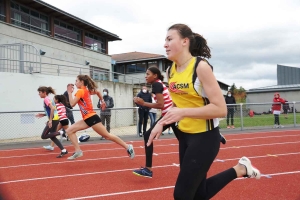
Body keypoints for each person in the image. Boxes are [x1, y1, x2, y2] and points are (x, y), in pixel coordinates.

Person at [147, 24, 261, 199]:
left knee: (182, 195)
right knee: (199, 194)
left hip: (205, 137)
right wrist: (161, 123)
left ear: (185, 41)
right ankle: (240, 169)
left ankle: (241, 169)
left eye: (170, 39)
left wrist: (183, 113)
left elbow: (221, 108)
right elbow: (177, 105)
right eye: (165, 40)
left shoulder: (200, 67)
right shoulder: (170, 71)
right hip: (184, 136)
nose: (165, 44)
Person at [61, 74, 135, 160]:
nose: (75, 83)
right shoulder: (86, 90)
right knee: (69, 131)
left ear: (82, 82)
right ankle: (78, 151)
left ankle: (128, 146)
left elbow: (72, 104)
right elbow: (98, 92)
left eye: (76, 81)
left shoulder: (81, 91)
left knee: (107, 136)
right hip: (87, 119)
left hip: (92, 118)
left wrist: (69, 93)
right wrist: (102, 101)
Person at [132, 67, 174, 178]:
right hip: (169, 114)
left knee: (147, 135)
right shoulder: (158, 84)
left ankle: (148, 169)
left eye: (147, 74)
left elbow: (161, 104)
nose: (145, 76)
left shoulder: (156, 85)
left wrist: (143, 103)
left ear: (155, 75)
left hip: (170, 115)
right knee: (185, 139)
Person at [35, 86, 68, 158]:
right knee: (52, 136)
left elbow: (52, 108)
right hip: (55, 119)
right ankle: (63, 150)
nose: (39, 94)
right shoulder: (48, 99)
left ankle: (61, 132)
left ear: (44, 93)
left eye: (40, 92)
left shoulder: (46, 99)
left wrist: (50, 120)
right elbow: (52, 110)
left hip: (53, 119)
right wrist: (43, 114)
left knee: (43, 136)